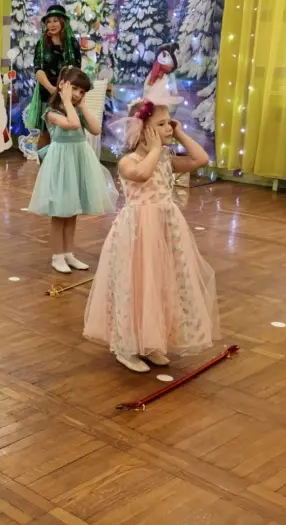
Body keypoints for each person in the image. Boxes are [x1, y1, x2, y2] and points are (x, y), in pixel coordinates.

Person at [84, 87, 219, 372]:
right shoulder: (128, 161)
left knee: (159, 284)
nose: (168, 128)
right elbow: (142, 174)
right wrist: (156, 149)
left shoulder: (166, 158)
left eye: (170, 122)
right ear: (142, 129)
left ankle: (151, 342)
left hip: (165, 229)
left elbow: (200, 159)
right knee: (134, 286)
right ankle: (126, 346)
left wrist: (179, 134)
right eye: (161, 124)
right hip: (137, 233)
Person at [28, 67, 117, 274]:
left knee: (72, 212)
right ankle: (57, 255)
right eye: (74, 88)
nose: (77, 94)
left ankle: (68, 253)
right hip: (61, 163)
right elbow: (73, 124)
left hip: (78, 160)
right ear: (62, 85)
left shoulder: (76, 109)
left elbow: (96, 129)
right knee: (60, 212)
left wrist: (83, 106)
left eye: (82, 91)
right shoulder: (51, 112)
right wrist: (68, 102)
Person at [25, 4, 82, 148]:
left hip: (67, 93)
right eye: (49, 21)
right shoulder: (42, 44)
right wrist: (51, 89)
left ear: (63, 22)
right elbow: (38, 70)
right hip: (47, 92)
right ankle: (45, 161)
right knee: (45, 131)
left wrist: (64, 91)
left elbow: (76, 70)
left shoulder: (72, 44)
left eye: (55, 20)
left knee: (64, 131)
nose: (52, 24)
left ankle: (61, 160)